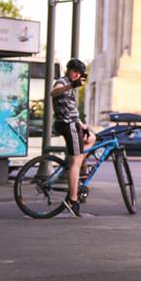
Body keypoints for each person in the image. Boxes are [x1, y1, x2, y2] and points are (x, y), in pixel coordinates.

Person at [50, 58, 95, 218]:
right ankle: (73, 199)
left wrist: (83, 126)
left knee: (91, 138)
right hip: (67, 125)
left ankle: (77, 165)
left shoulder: (72, 85)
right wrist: (71, 85)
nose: (76, 75)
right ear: (68, 70)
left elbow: (72, 110)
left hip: (73, 123)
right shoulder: (63, 82)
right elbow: (54, 92)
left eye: (79, 73)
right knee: (75, 162)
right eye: (74, 71)